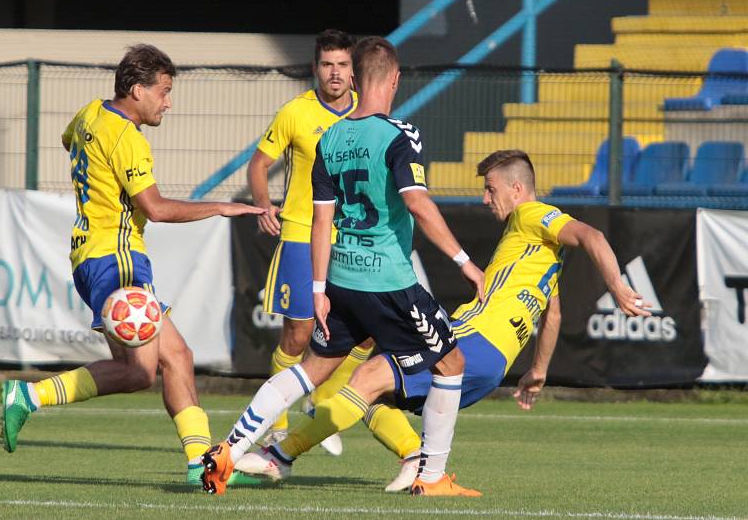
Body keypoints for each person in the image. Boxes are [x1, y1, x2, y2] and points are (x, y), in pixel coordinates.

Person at [237, 148, 651, 492]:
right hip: (495, 364)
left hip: (471, 336)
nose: (486, 199)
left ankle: (280, 456)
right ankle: (416, 461)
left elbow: (592, 236)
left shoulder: (532, 215)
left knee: (365, 378)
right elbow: (553, 313)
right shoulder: (541, 259)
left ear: (517, 189)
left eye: (491, 190)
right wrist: (537, 371)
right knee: (373, 393)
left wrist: (616, 286)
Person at [201, 36, 486, 497]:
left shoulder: (330, 138)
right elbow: (417, 203)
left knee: (309, 370)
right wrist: (464, 262)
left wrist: (318, 288)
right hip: (389, 282)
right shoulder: (400, 135)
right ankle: (431, 478)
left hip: (341, 279)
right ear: (393, 80)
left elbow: (321, 219)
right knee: (451, 363)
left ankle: (231, 448)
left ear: (354, 77)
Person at [0, 44, 264, 484]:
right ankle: (29, 395)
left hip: (91, 255)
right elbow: (156, 208)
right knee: (138, 372)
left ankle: (203, 467)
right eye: (163, 91)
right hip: (117, 259)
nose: (168, 102)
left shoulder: (90, 113)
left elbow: (70, 141)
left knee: (176, 356)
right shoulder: (129, 139)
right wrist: (220, 207)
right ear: (137, 89)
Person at [247, 29, 373, 454]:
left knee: (369, 336)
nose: (334, 73)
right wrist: (264, 203)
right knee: (299, 335)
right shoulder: (295, 113)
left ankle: (321, 404)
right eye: (326, 64)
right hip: (302, 234)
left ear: (353, 69)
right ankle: (277, 423)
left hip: (353, 239)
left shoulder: (368, 113)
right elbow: (259, 163)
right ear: (315, 68)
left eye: (341, 64)